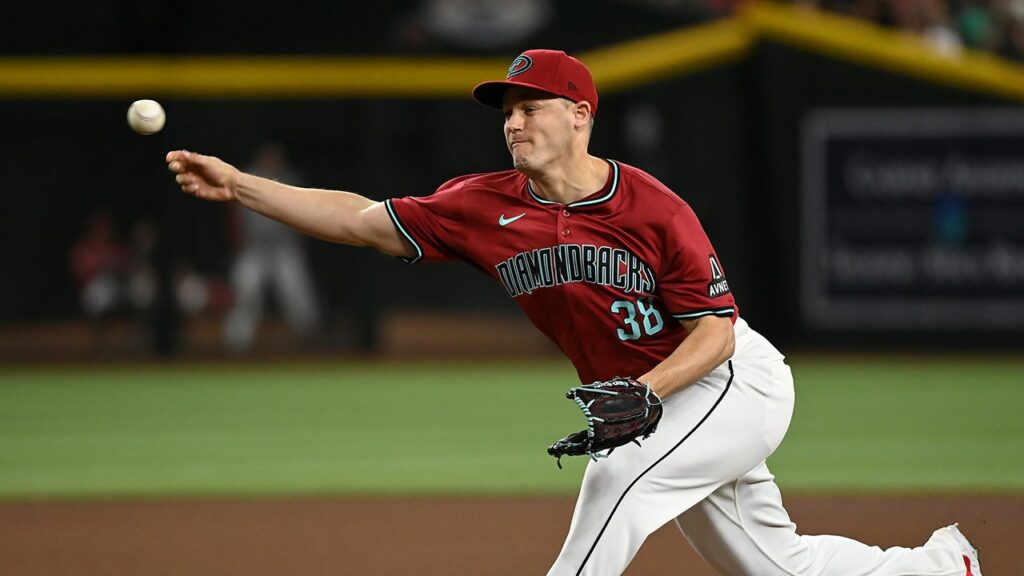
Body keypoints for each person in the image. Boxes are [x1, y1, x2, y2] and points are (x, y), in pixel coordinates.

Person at [166, 49, 982, 576]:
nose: (514, 121)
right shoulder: (480, 205)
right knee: (778, 568)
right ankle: (947, 567)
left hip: (731, 381)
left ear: (581, 115)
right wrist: (239, 185)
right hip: (659, 399)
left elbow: (717, 330)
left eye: (532, 106)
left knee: (617, 478)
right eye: (507, 110)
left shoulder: (654, 207)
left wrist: (650, 395)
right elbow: (358, 219)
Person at [222, 142, 320, 352]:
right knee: (246, 291)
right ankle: (235, 346)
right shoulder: (246, 180)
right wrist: (239, 245)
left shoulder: (291, 180)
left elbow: (306, 216)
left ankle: (310, 341)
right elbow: (235, 219)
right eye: (268, 158)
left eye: (275, 159)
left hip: (284, 247)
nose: (272, 162)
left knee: (297, 292)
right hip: (254, 248)